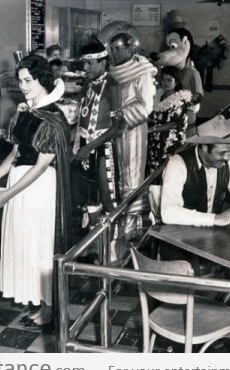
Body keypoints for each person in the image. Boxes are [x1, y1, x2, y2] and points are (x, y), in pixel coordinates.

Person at [0, 55, 73, 329]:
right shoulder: (25, 111)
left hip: (38, 188)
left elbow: (40, 166)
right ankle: (39, 303)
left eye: (29, 80)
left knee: (40, 246)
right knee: (25, 245)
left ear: (43, 80)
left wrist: (6, 194)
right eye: (21, 80)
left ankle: (50, 308)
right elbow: (15, 154)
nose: (24, 85)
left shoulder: (52, 118)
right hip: (20, 183)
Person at [99, 21, 157, 237]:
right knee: (115, 174)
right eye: (112, 49)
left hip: (132, 130)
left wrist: (121, 114)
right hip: (114, 130)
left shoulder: (142, 70)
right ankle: (116, 224)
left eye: (118, 48)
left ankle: (130, 229)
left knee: (131, 176)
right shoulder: (114, 71)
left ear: (131, 48)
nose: (114, 53)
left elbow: (146, 106)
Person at [161, 112, 230, 227]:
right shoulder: (178, 164)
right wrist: (215, 218)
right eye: (221, 153)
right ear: (205, 147)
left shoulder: (228, 160)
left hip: (213, 235)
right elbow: (168, 212)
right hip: (179, 234)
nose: (227, 157)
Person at [73, 42, 122, 213]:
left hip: (103, 148)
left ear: (102, 63)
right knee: (89, 201)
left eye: (89, 63)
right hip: (85, 147)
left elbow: (117, 127)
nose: (85, 67)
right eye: (84, 63)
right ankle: (94, 238)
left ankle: (115, 238)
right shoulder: (89, 83)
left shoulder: (112, 86)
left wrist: (89, 146)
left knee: (109, 200)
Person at [147, 66, 191, 174]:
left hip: (170, 142)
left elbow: (175, 124)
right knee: (153, 172)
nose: (165, 82)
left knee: (167, 172)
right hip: (156, 141)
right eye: (163, 79)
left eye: (169, 80)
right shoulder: (158, 97)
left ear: (176, 82)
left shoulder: (179, 100)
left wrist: (152, 129)